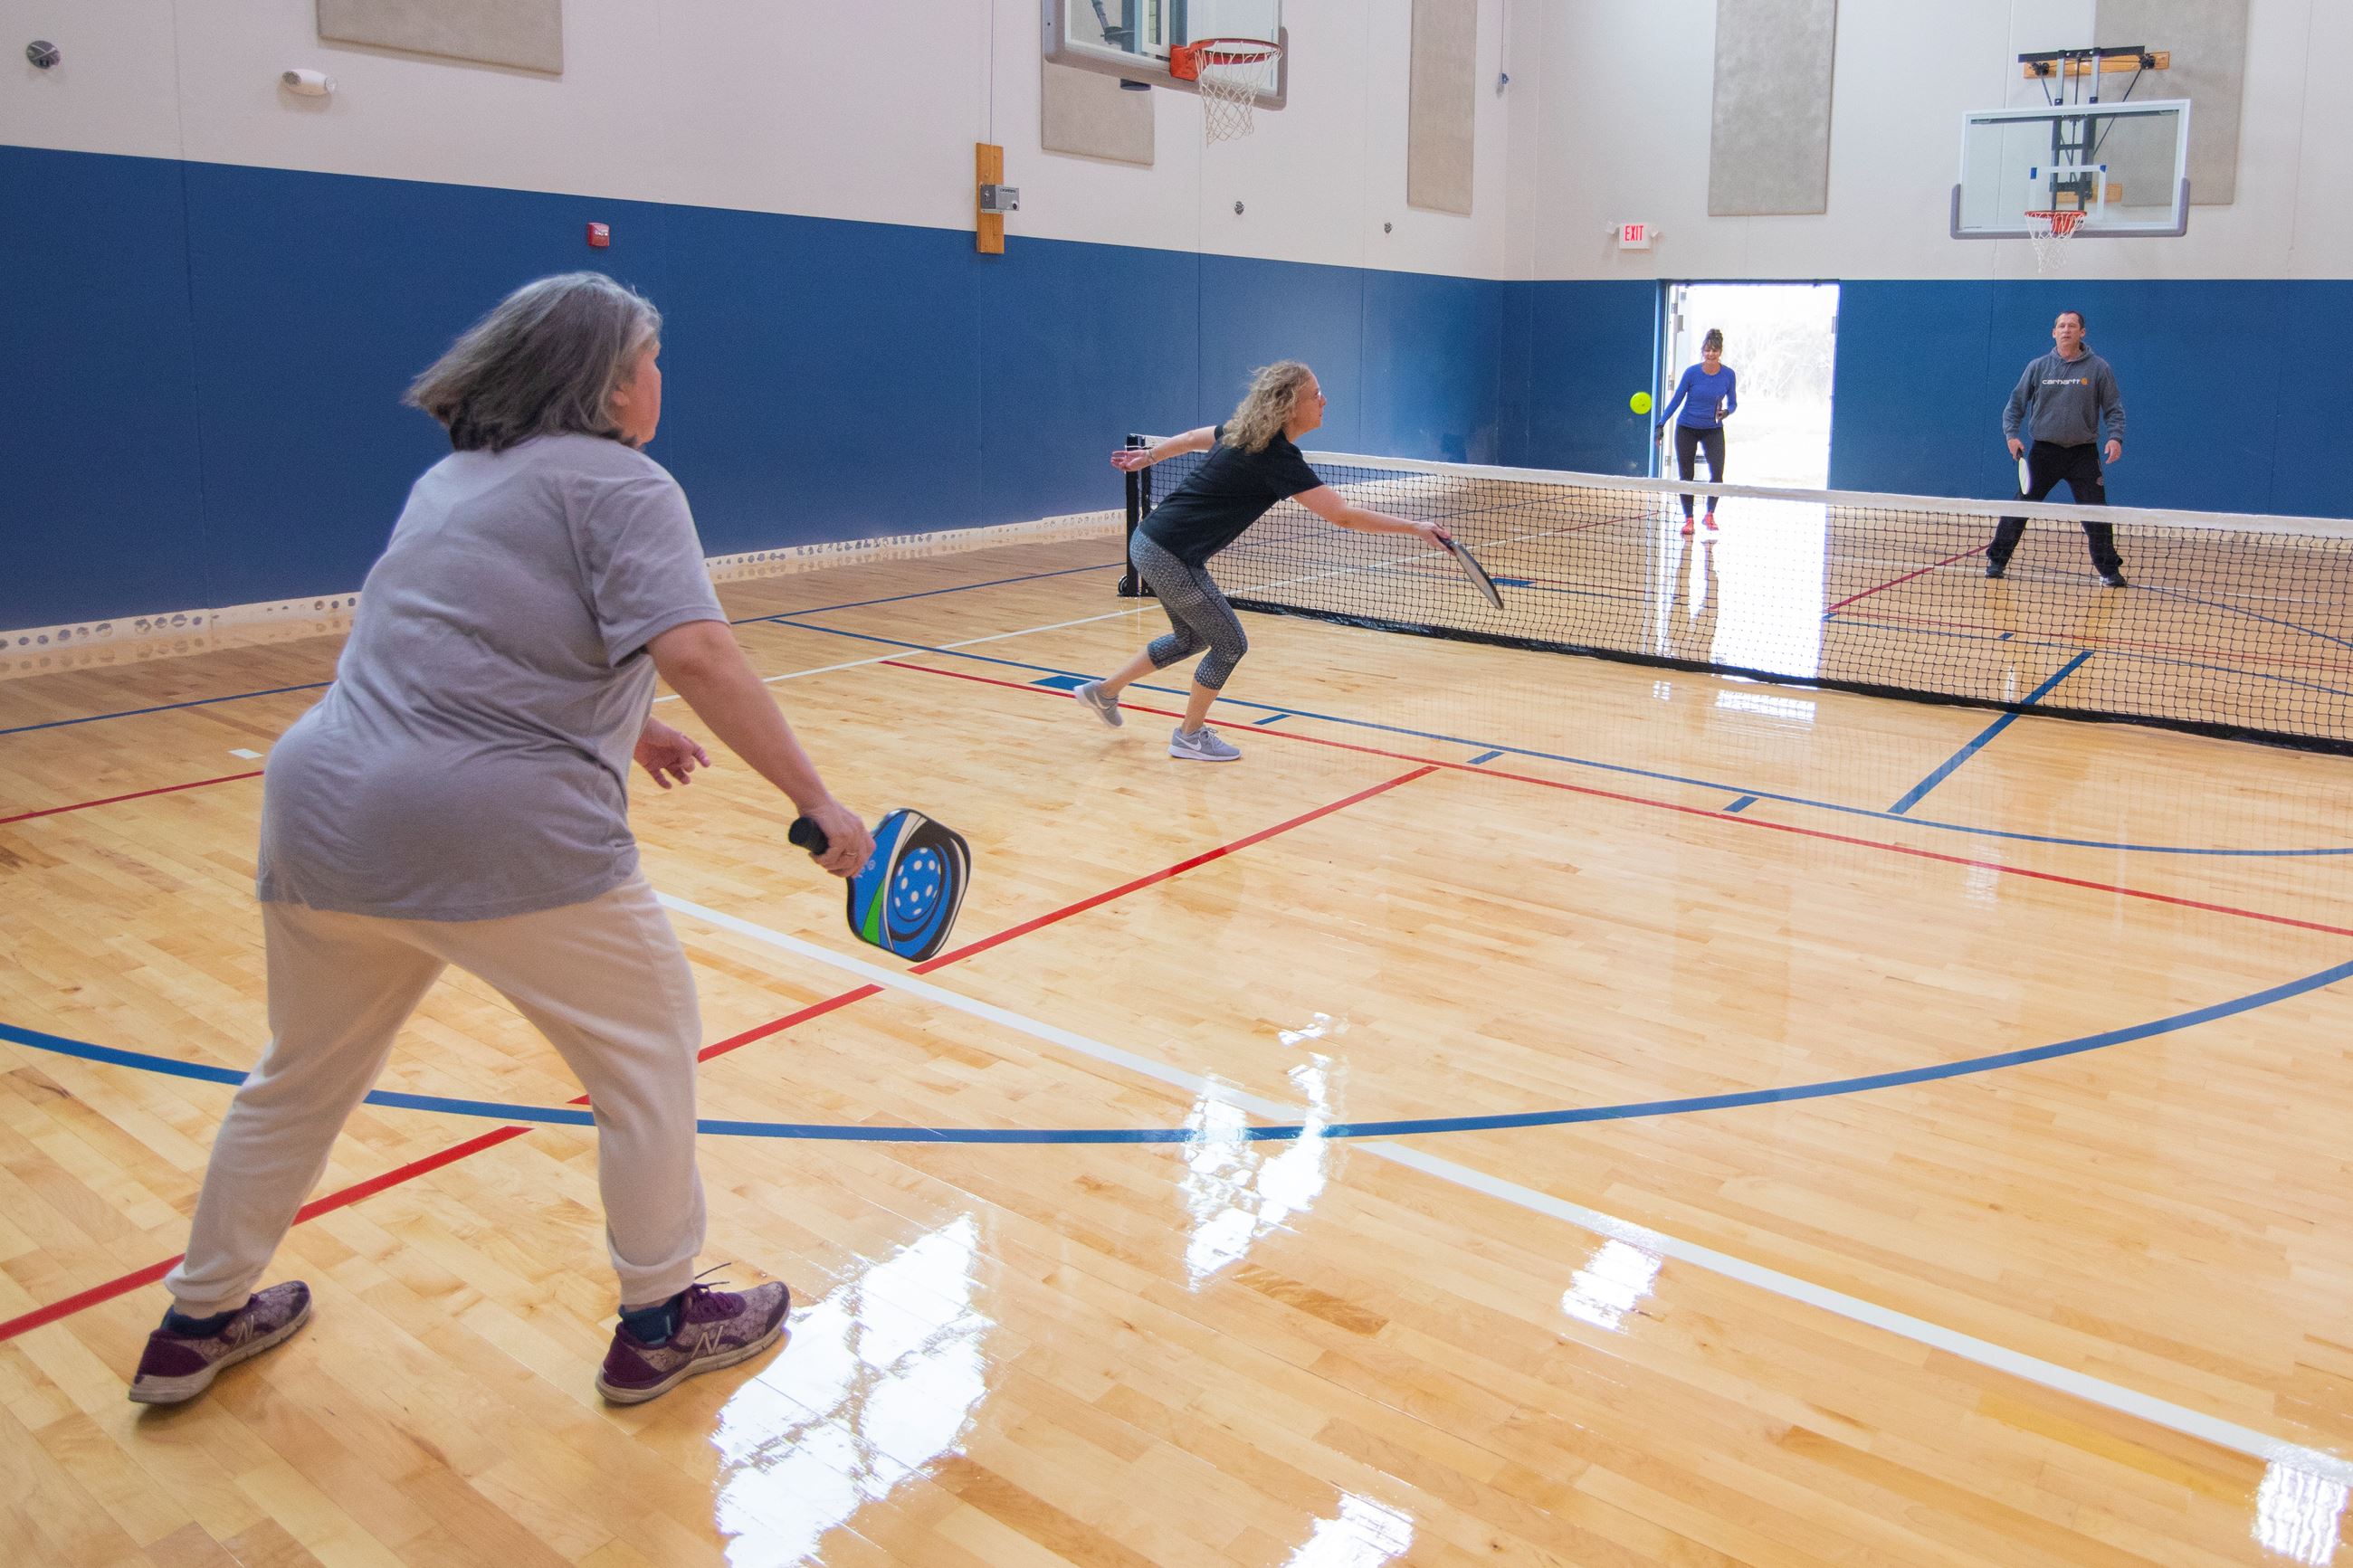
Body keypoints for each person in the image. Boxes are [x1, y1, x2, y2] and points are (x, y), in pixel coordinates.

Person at [126, 273, 874, 1409]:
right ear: (611, 379)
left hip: (322, 811)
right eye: (652, 358)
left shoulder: (451, 481)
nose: (660, 379)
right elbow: (699, 651)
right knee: (647, 1051)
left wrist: (635, 732)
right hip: (491, 827)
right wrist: (821, 800)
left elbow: (474, 641)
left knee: (296, 1076)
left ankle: (197, 1319)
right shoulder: (625, 482)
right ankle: (662, 1318)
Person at [1073, 362, 1453, 761]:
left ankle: (1104, 692)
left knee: (1192, 638)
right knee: (1229, 644)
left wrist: (1149, 457)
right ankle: (1189, 736)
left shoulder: (1240, 434)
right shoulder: (1275, 458)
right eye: (1315, 395)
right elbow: (1341, 515)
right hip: (1172, 555)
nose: (1324, 400)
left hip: (1150, 541)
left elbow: (1187, 439)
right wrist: (1415, 527)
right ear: (1291, 406)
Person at [1986, 309, 2129, 587]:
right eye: (2061, 326)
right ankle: (1997, 561)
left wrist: (2115, 437)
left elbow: (2114, 408)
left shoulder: (2099, 368)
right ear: (2054, 332)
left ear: (2082, 332)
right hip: (2044, 453)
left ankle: (2109, 571)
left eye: (2072, 326)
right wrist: (2011, 435)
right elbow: (2015, 405)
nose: (2066, 330)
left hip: (2083, 454)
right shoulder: (2038, 367)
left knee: (2096, 513)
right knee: (2020, 507)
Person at [1654, 328, 1738, 536]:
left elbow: (1733, 403)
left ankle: (1710, 514)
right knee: (1686, 475)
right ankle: (1688, 519)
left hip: (1713, 429)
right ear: (1703, 351)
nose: (1711, 354)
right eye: (1708, 350)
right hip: (1687, 428)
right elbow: (1677, 400)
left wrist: (1726, 412)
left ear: (1720, 352)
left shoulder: (1728, 375)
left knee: (1717, 473)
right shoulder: (1692, 373)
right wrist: (1661, 424)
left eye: (1715, 350)